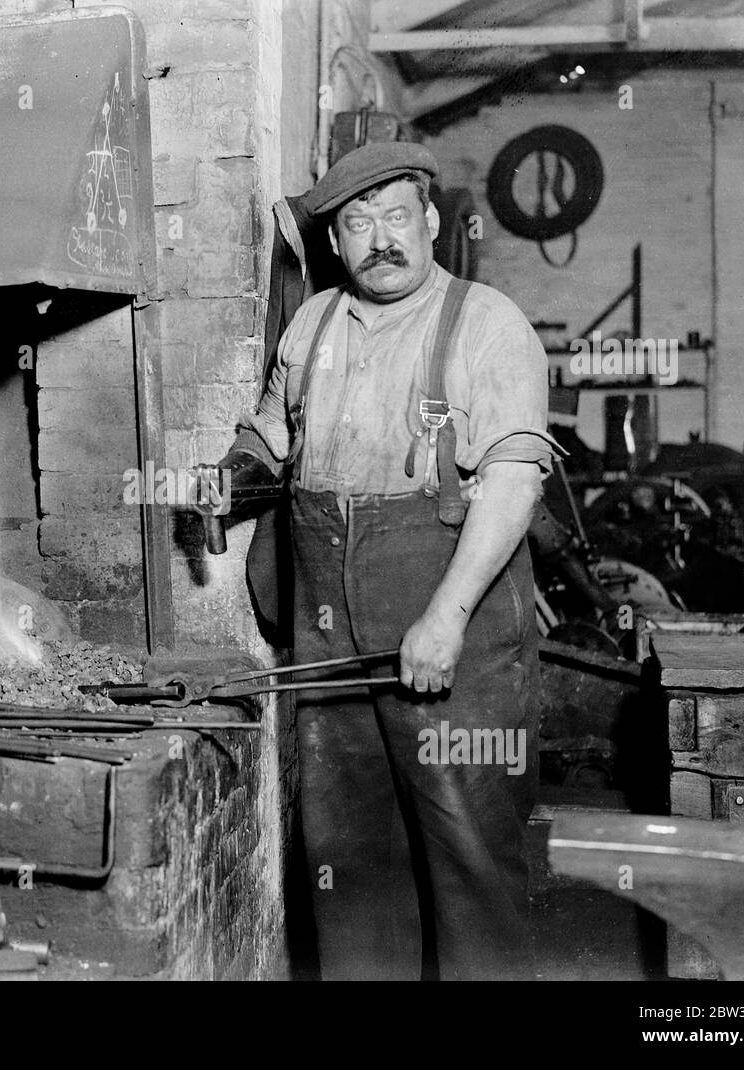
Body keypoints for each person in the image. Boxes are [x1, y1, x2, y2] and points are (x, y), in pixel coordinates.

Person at [205, 142, 561, 980]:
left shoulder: (486, 322)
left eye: (397, 217)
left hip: (452, 620)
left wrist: (445, 618)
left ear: (431, 222)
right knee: (348, 851)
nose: (380, 240)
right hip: (330, 629)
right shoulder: (312, 324)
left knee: (470, 848)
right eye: (357, 224)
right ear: (334, 242)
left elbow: (511, 482)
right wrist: (226, 480)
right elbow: (271, 436)